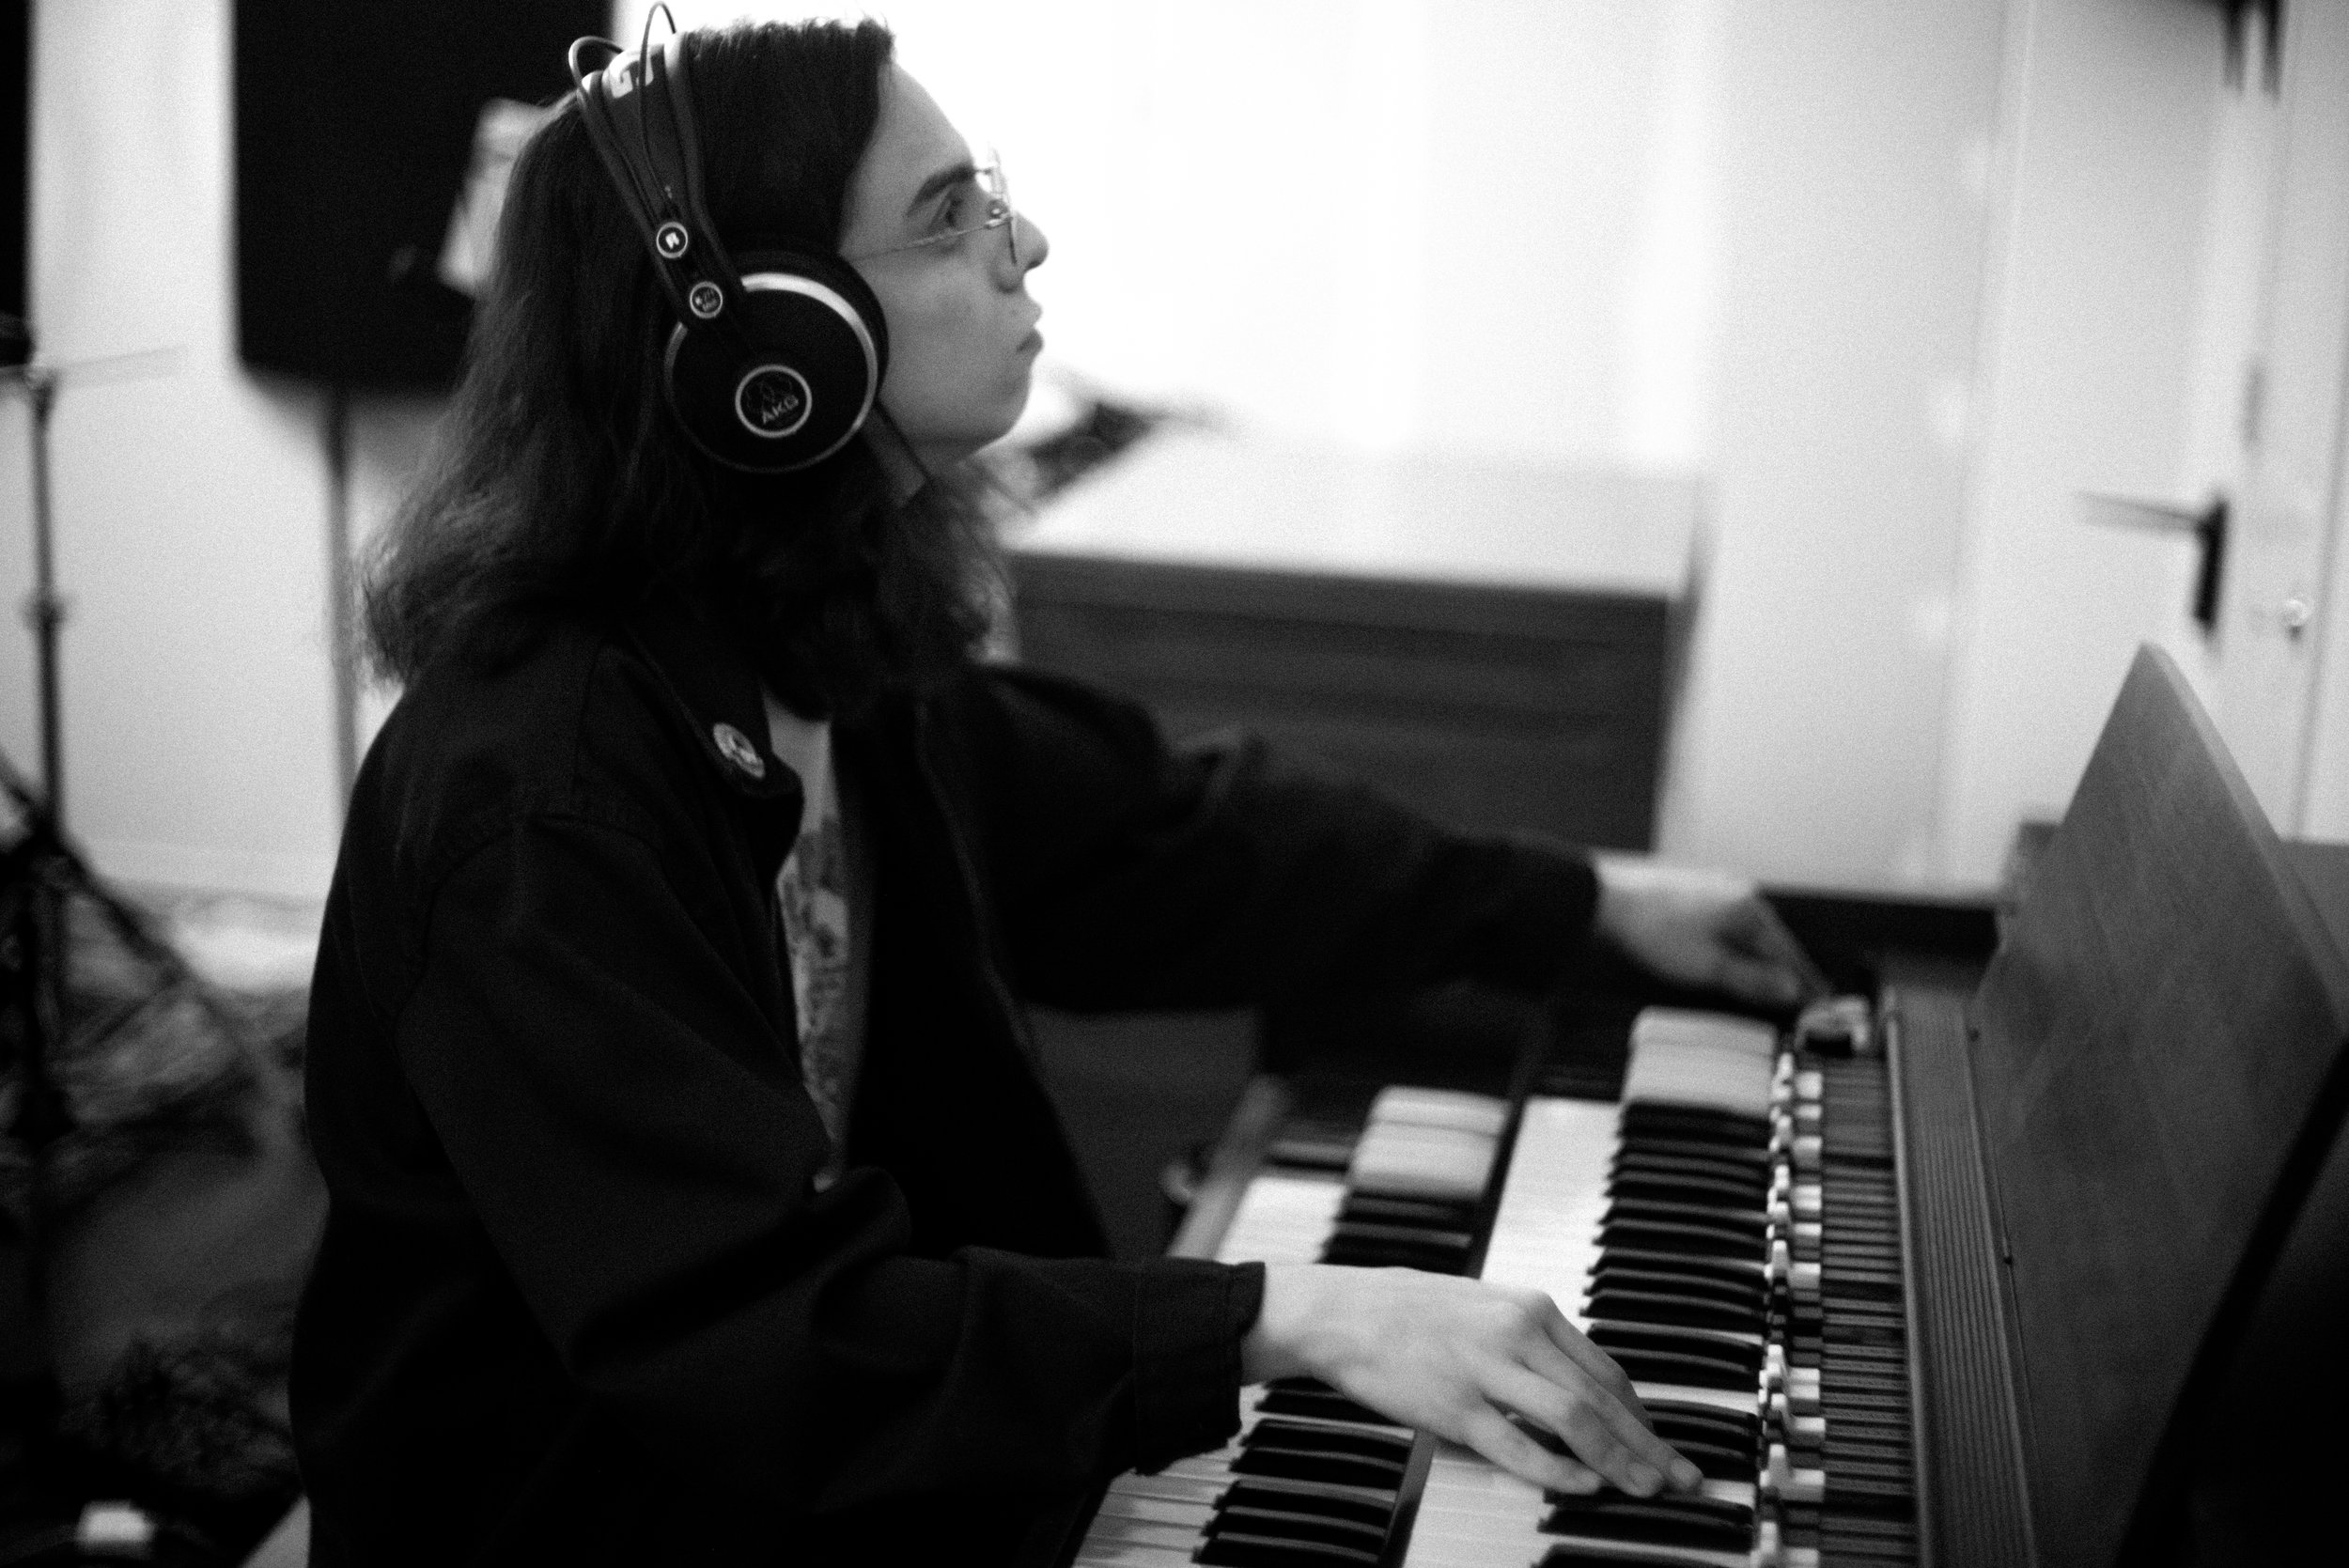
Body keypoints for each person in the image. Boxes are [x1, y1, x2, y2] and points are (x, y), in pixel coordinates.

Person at [291, 17, 1825, 1566]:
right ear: (773, 348)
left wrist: (1582, 901)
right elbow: (763, 1336)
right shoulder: (542, 802)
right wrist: (1294, 1317)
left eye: (991, 197)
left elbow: (1173, 844)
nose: (1023, 244)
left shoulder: (809, 641)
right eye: (945, 217)